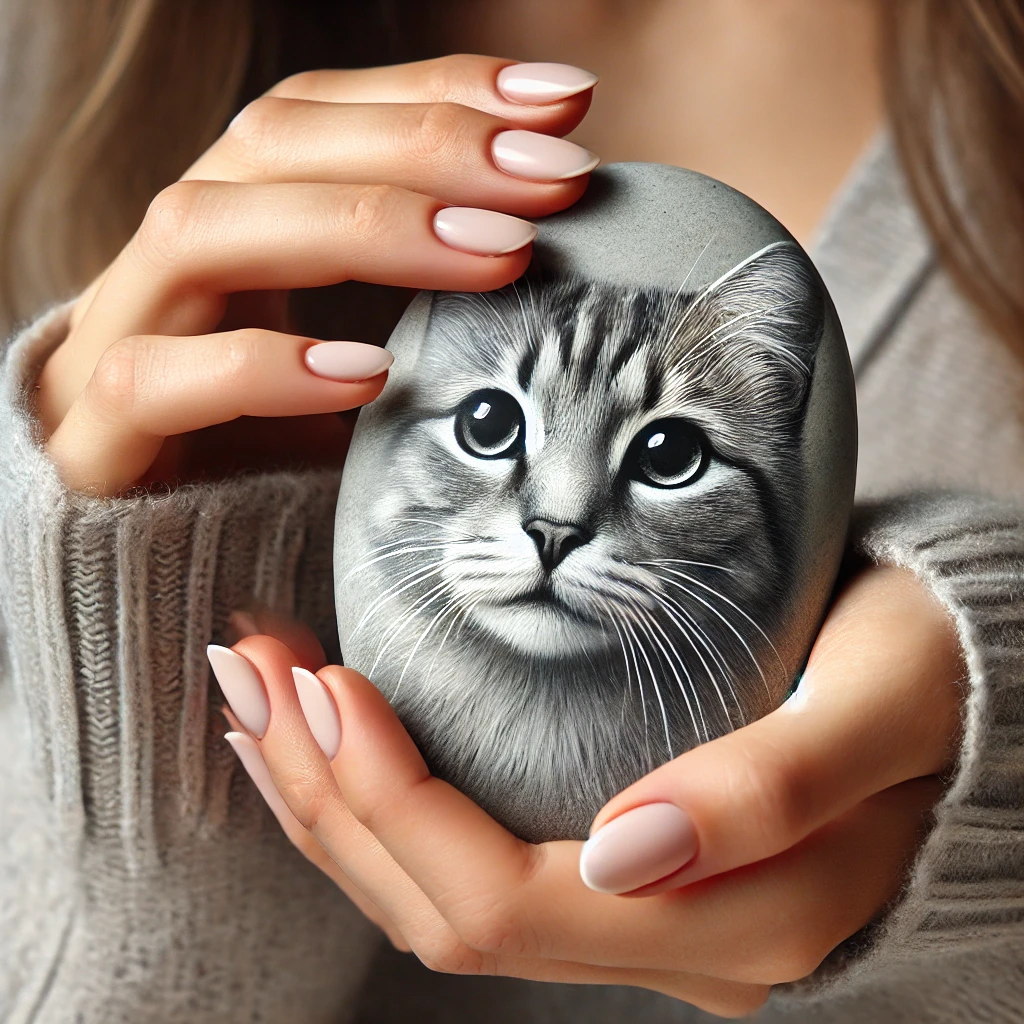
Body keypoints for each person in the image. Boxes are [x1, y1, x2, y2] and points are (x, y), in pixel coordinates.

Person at [1, 1, 1023, 1021]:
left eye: (665, 452)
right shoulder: (44, 69)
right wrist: (151, 792)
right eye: (493, 423)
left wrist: (998, 780)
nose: (558, 519)